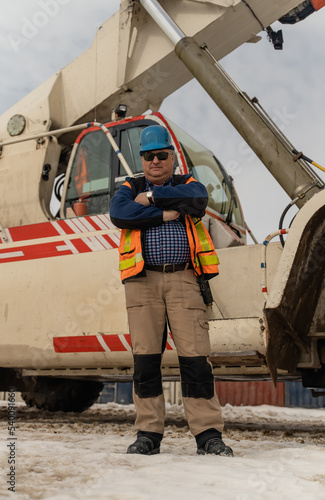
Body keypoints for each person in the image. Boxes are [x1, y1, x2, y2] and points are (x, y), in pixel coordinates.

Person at [109, 124, 233, 457]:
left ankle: (208, 434)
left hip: (184, 280)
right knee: (145, 360)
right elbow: (120, 213)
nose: (155, 161)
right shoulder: (128, 186)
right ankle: (148, 432)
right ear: (143, 159)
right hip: (141, 282)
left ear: (172, 157)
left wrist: (148, 199)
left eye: (161, 155)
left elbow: (198, 199)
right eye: (149, 156)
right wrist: (164, 214)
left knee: (195, 359)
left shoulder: (186, 184)